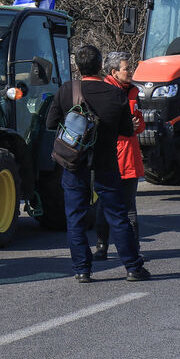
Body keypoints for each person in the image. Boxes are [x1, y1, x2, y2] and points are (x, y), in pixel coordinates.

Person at [45, 44, 149, 283]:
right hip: (107, 162)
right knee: (118, 215)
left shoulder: (67, 90)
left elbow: (51, 123)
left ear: (77, 66)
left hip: (73, 162)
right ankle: (133, 268)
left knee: (75, 218)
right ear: (101, 65)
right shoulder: (115, 95)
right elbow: (126, 130)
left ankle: (82, 269)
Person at [93, 52, 145, 260]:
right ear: (114, 72)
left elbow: (140, 122)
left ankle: (134, 250)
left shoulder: (134, 92)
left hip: (130, 158)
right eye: (126, 68)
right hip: (110, 156)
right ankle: (101, 247)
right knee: (104, 206)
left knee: (130, 207)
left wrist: (135, 126)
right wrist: (122, 127)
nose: (130, 71)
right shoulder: (103, 92)